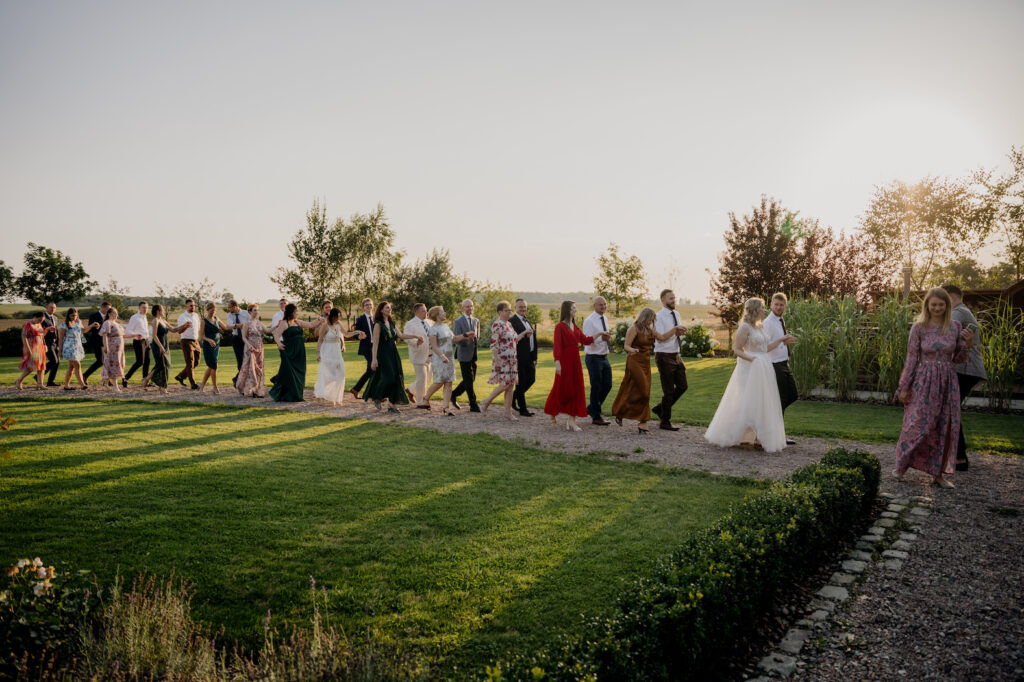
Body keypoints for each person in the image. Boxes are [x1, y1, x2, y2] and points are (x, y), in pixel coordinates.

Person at [894, 287, 973, 488]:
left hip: (948, 382)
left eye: (941, 304)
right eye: (934, 304)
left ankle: (938, 475)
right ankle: (901, 465)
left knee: (944, 426)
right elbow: (911, 359)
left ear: (947, 305)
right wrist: (904, 387)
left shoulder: (954, 326)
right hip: (923, 381)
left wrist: (968, 344)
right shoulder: (918, 327)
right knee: (917, 424)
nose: (937, 308)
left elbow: (960, 359)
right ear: (927, 306)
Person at [704, 298, 796, 453]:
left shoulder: (759, 326)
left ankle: (759, 437)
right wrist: (752, 359)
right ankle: (738, 434)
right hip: (750, 367)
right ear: (754, 309)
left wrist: (781, 340)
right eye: (762, 307)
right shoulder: (745, 327)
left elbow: (766, 348)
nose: (764, 310)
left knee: (763, 401)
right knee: (747, 401)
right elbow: (737, 350)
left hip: (764, 366)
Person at [942, 284, 987, 471]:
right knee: (951, 410)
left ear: (950, 297)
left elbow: (948, 338)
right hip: (967, 369)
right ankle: (958, 457)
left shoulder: (958, 312)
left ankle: (959, 458)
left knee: (950, 410)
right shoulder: (963, 312)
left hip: (965, 369)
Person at [544, 300, 598, 431]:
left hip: (575, 362)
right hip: (564, 362)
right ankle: (552, 410)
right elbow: (557, 346)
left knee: (576, 390)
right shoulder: (560, 327)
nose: (576, 310)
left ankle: (572, 421)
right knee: (561, 389)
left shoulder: (575, 326)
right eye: (574, 308)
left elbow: (585, 340)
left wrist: (600, 334)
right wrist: (557, 362)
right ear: (567, 310)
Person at [362, 301, 424, 413]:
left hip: (393, 353)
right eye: (387, 308)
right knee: (389, 377)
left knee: (396, 377)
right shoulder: (377, 324)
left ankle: (392, 404)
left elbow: (401, 335)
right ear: (381, 310)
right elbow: (375, 343)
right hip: (383, 354)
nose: (389, 309)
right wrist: (374, 359)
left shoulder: (391, 323)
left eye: (390, 308)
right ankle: (377, 396)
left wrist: (415, 336)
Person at [610, 308, 665, 434]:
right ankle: (643, 421)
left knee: (636, 390)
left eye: (652, 320)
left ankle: (627, 414)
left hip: (645, 362)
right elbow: (626, 345)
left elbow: (662, 337)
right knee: (644, 390)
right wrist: (632, 350)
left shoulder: (649, 330)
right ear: (644, 317)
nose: (651, 322)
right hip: (634, 361)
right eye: (650, 319)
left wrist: (675, 330)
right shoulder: (634, 328)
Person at [480, 301, 532, 421]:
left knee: (510, 386)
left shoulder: (509, 324)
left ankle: (508, 413)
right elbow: (494, 344)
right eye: (507, 310)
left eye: (510, 310)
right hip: (502, 359)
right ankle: (486, 402)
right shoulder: (497, 325)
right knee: (505, 384)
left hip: (512, 359)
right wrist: (497, 361)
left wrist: (524, 333)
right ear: (500, 312)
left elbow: (515, 339)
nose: (509, 312)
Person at [762, 292, 799, 445]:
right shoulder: (768, 323)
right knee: (782, 398)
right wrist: (782, 340)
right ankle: (777, 434)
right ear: (771, 305)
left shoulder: (780, 320)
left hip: (784, 363)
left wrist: (785, 342)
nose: (778, 307)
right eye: (776, 304)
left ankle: (774, 430)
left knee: (793, 395)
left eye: (781, 305)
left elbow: (776, 342)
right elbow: (764, 347)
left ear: (785, 306)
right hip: (774, 364)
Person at [652, 289, 689, 431]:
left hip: (676, 354)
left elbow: (673, 333)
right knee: (668, 391)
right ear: (662, 300)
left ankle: (659, 409)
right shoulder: (658, 316)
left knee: (682, 386)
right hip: (663, 355)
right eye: (670, 298)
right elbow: (660, 336)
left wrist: (679, 331)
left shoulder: (676, 314)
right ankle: (665, 421)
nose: (673, 300)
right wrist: (675, 329)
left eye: (674, 298)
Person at [270, 303, 323, 402]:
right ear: (291, 312)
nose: (297, 313)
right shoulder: (284, 323)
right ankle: (293, 395)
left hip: (299, 351)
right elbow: (277, 335)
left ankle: (295, 391)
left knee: (300, 372)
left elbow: (310, 325)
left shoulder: (298, 322)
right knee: (290, 373)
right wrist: (279, 344)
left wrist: (319, 320)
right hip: (288, 351)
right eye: (296, 312)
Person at [141, 304, 189, 394]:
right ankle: (162, 387)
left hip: (165, 345)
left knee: (165, 365)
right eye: (162, 309)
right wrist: (161, 346)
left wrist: (184, 326)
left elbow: (174, 330)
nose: (164, 311)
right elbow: (154, 335)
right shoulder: (155, 321)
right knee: (162, 365)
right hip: (158, 345)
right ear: (158, 311)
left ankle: (151, 382)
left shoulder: (163, 321)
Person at [582, 296, 615, 425]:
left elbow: (602, 336)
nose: (604, 307)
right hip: (593, 357)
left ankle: (591, 408)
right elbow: (588, 341)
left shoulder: (605, 318)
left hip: (604, 356)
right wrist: (603, 339)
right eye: (600, 305)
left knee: (608, 385)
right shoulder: (589, 321)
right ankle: (596, 417)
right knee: (596, 386)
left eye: (605, 304)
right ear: (594, 306)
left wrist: (606, 337)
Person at [420, 306, 456, 415]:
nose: (444, 313)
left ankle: (446, 407)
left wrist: (465, 336)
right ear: (437, 315)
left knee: (449, 382)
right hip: (439, 358)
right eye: (442, 312)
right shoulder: (433, 329)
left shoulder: (446, 326)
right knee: (439, 382)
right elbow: (434, 347)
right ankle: (425, 399)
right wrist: (442, 356)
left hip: (449, 357)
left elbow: (453, 339)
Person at [314, 307, 354, 404]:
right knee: (326, 374)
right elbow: (320, 340)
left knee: (340, 374)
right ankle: (321, 394)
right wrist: (318, 353)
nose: (338, 319)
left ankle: (336, 397)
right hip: (327, 351)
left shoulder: (339, 324)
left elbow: (347, 334)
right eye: (336, 317)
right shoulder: (325, 326)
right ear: (332, 316)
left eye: (339, 317)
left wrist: (357, 332)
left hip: (337, 352)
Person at [509, 299, 538, 416]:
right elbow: (513, 339)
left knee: (531, 379)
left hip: (529, 357)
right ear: (515, 307)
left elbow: (533, 340)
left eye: (524, 307)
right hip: (519, 357)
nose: (523, 309)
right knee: (520, 383)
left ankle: (513, 397)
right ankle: (523, 409)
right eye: (520, 307)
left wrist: (535, 356)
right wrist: (525, 334)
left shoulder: (527, 320)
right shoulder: (512, 321)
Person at [450, 299, 481, 412]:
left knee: (471, 379)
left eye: (471, 306)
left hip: (473, 354)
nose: (470, 308)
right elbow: (457, 340)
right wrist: (467, 338)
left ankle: (453, 394)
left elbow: (477, 337)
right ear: (462, 308)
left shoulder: (476, 320)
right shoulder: (458, 321)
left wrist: (474, 339)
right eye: (467, 306)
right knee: (468, 379)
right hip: (463, 354)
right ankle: (473, 404)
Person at [237, 304, 270, 398]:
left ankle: (258, 389)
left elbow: (267, 330)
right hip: (250, 348)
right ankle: (249, 389)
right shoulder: (246, 323)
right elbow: (243, 337)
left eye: (257, 310)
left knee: (258, 368)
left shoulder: (259, 322)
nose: (256, 312)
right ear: (250, 312)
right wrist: (249, 345)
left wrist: (278, 326)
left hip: (259, 348)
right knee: (250, 368)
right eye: (254, 310)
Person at [403, 303, 433, 404]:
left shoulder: (429, 322)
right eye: (423, 311)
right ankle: (421, 402)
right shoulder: (410, 324)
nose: (426, 312)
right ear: (417, 312)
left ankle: (411, 390)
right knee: (422, 378)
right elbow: (406, 338)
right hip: (418, 355)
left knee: (428, 379)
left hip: (430, 355)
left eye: (426, 310)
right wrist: (416, 342)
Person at [58, 307, 93, 390]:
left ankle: (66, 386)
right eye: (72, 316)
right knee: (77, 365)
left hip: (77, 346)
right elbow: (61, 338)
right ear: (68, 316)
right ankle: (82, 384)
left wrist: (92, 325)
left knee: (71, 367)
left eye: (75, 315)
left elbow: (83, 330)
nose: (74, 317)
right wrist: (60, 351)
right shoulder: (64, 324)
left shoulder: (78, 322)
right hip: (69, 347)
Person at [198, 302, 230, 393]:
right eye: (211, 308)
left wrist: (238, 325)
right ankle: (215, 387)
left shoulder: (217, 319)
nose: (213, 310)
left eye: (214, 308)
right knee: (214, 365)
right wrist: (209, 340)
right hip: (208, 346)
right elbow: (201, 336)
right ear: (207, 309)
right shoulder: (203, 321)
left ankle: (202, 386)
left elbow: (226, 328)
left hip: (217, 345)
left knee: (211, 366)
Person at [14, 311, 49, 390]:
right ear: (35, 317)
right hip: (32, 347)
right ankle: (19, 380)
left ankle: (40, 384)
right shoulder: (28, 324)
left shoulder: (39, 324)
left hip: (40, 347)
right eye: (40, 320)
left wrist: (45, 344)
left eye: (42, 320)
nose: (40, 321)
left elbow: (41, 335)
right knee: (30, 367)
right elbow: (24, 336)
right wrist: (27, 348)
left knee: (41, 366)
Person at [350, 298, 376, 400]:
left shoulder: (377, 318)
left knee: (371, 369)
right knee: (373, 368)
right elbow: (355, 333)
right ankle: (372, 393)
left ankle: (356, 389)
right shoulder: (360, 319)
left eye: (370, 305)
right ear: (363, 307)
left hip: (377, 347)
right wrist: (359, 336)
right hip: (366, 348)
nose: (369, 307)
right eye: (366, 305)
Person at [123, 301, 151, 388]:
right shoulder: (135, 317)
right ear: (139, 308)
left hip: (146, 341)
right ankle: (126, 378)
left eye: (146, 307)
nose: (145, 309)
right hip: (138, 342)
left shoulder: (144, 317)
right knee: (140, 362)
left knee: (147, 361)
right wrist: (136, 334)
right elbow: (128, 330)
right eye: (143, 307)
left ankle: (145, 381)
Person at [174, 299, 201, 390]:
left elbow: (198, 329)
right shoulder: (182, 317)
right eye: (190, 305)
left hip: (195, 341)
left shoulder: (196, 316)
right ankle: (193, 384)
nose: (192, 307)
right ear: (186, 306)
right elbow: (179, 331)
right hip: (186, 341)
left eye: (194, 305)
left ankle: (181, 376)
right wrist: (185, 326)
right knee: (190, 363)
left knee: (196, 362)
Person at [81, 301, 110, 385]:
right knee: (100, 361)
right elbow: (91, 329)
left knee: (107, 361)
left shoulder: (108, 317)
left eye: (109, 309)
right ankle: (85, 375)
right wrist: (97, 326)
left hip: (106, 341)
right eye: (107, 309)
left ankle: (106, 380)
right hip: (97, 341)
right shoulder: (93, 316)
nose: (108, 311)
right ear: (102, 307)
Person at [99, 308, 127, 393]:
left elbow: (122, 335)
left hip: (119, 349)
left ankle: (106, 382)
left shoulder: (116, 323)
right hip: (112, 348)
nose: (116, 315)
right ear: (109, 314)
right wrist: (106, 346)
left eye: (116, 313)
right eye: (114, 313)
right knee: (114, 365)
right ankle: (115, 386)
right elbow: (104, 335)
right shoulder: (107, 323)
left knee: (118, 364)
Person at [225, 300, 251, 386]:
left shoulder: (246, 313)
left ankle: (237, 379)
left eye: (229, 307)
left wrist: (235, 325)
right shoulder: (229, 315)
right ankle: (240, 382)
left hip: (246, 339)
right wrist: (240, 325)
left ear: (235, 307)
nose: (228, 309)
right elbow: (229, 326)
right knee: (240, 360)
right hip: (236, 339)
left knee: (248, 360)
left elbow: (250, 323)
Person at [42, 302, 60, 387]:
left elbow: (56, 331)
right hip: (46, 342)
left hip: (55, 342)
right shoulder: (42, 318)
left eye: (54, 308)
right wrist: (47, 329)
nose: (53, 309)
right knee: (54, 361)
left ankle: (50, 381)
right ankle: (39, 375)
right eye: (51, 307)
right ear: (46, 307)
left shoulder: (55, 318)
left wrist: (58, 342)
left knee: (57, 362)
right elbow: (40, 330)